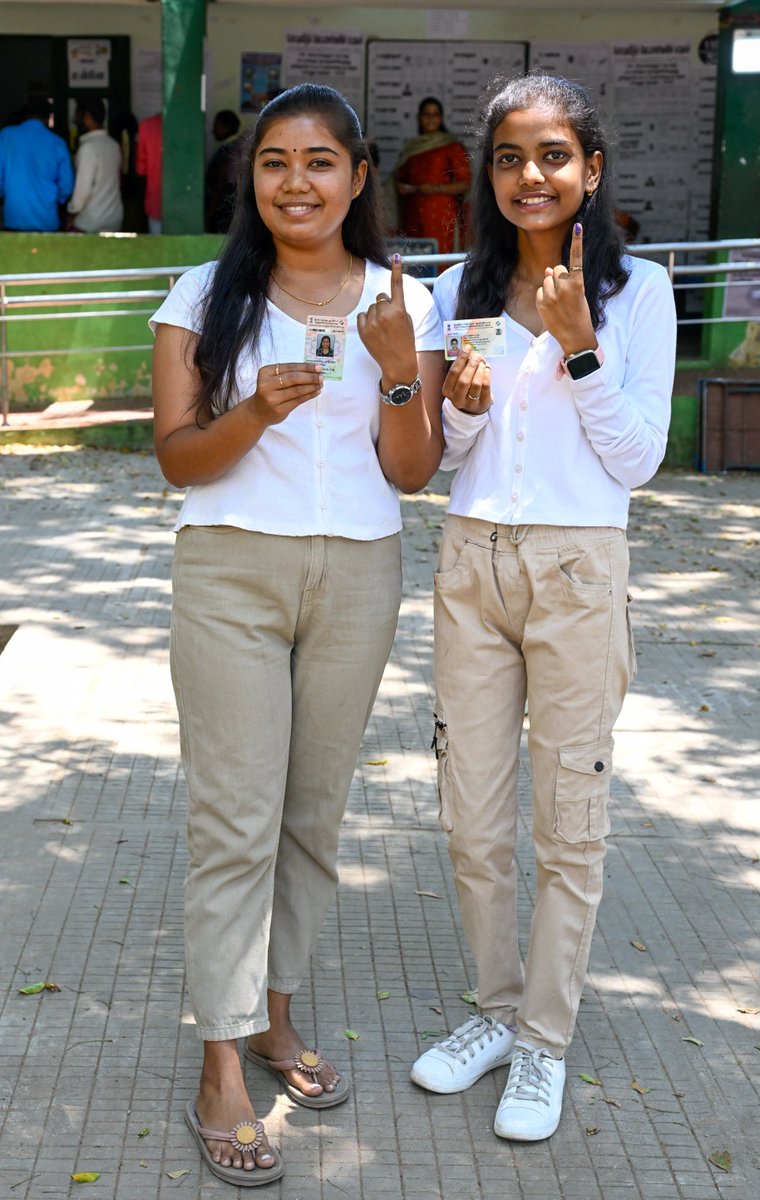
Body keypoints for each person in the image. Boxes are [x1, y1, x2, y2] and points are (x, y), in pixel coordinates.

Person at [150, 82, 444, 1187]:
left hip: (360, 570)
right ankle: (221, 1065)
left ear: (359, 177)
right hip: (229, 568)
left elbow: (411, 473)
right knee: (236, 816)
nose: (296, 183)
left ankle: (276, 1020)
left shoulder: (396, 299)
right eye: (274, 162)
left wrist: (401, 362)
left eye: (320, 162)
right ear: (251, 179)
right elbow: (178, 459)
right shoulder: (203, 296)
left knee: (313, 813)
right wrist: (255, 414)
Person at [410, 73, 676, 1142]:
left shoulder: (638, 292)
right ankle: (495, 1008)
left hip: (578, 567)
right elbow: (446, 459)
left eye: (554, 155)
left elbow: (638, 460)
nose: (532, 175)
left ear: (590, 169)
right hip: (473, 565)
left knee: (569, 821)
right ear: (490, 172)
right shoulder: (454, 293)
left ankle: (544, 1043)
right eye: (512, 156)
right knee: (470, 816)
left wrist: (576, 344)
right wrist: (462, 417)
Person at [392, 97, 470, 253]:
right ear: (419, 118)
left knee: (439, 259)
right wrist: (406, 188)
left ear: (441, 119)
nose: (430, 118)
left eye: (435, 114)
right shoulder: (412, 148)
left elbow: (465, 183)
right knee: (415, 261)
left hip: (441, 214)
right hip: (412, 213)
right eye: (426, 114)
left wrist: (434, 188)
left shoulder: (451, 146)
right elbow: (399, 181)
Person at [0, 96, 73, 231]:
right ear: (49, 117)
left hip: (14, 218)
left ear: (26, 115)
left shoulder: (6, 136)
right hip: (47, 220)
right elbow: (66, 186)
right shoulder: (57, 143)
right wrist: (55, 200)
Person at [66, 96, 123, 233]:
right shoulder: (113, 145)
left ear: (86, 117)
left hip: (91, 223)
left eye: (77, 117)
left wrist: (70, 214)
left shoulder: (88, 149)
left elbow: (82, 193)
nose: (75, 122)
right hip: (114, 218)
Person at [205, 109, 244, 234]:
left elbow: (219, 185)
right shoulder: (241, 145)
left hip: (222, 206)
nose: (213, 131)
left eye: (217, 126)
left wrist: (209, 213)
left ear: (227, 127)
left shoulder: (227, 150)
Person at [136, 111, 162, 233]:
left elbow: (141, 170)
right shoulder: (192, 123)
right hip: (187, 205)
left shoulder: (148, 125)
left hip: (155, 202)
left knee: (157, 247)